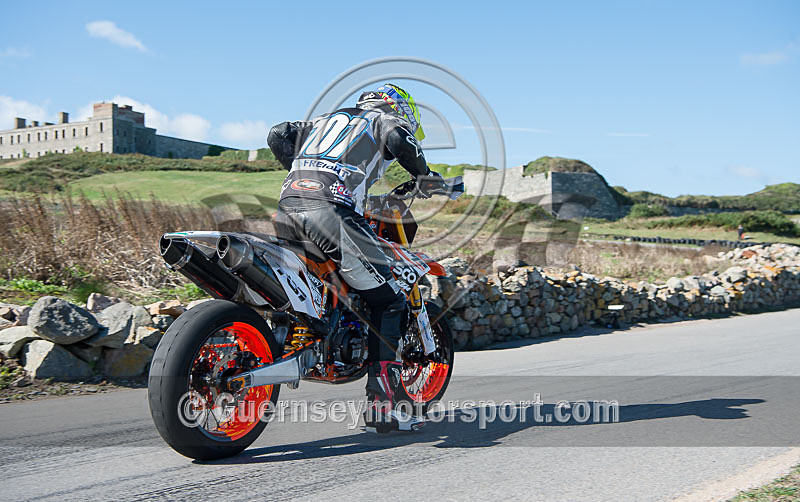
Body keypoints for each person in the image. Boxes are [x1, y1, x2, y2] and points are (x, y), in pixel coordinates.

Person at [266, 84, 442, 432]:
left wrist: (302, 169)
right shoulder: (382, 118)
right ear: (400, 108)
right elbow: (399, 139)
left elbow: (278, 134)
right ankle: (383, 405)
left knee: (324, 283)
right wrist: (425, 176)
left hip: (287, 210)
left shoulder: (326, 120)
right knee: (390, 300)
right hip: (331, 212)